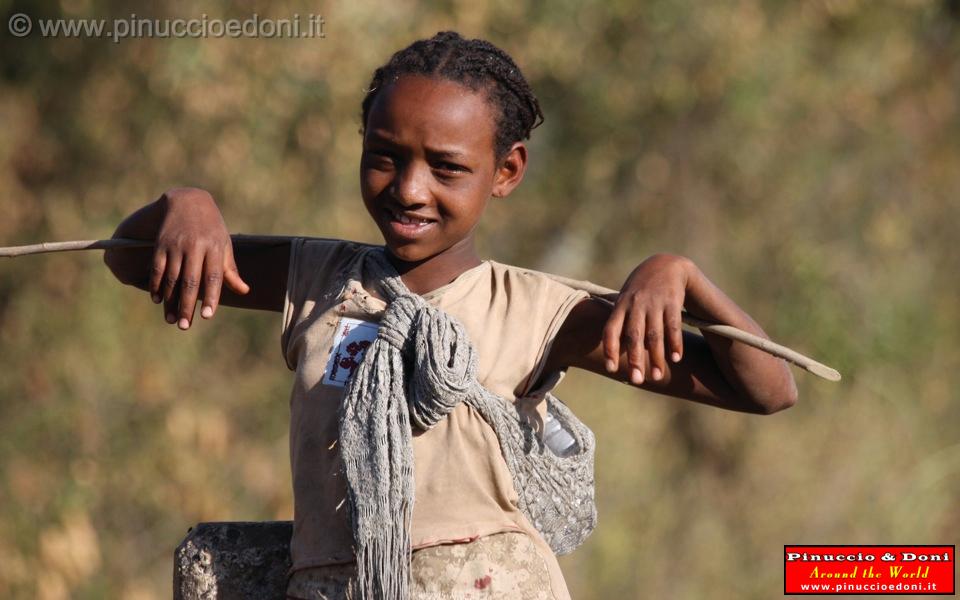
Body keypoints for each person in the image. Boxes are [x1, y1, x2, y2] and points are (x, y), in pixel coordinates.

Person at [103, 31, 797, 600]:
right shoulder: (316, 279)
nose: (409, 188)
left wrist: (682, 276)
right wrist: (183, 203)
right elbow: (132, 259)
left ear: (507, 171)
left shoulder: (539, 312)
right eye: (385, 157)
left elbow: (767, 390)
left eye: (446, 167)